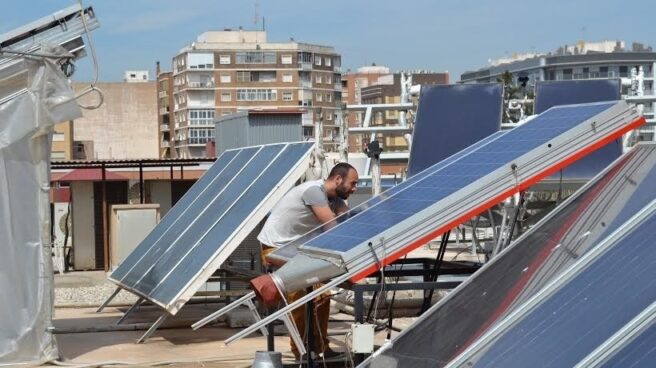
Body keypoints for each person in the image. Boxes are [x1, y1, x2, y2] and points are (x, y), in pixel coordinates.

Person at [257, 162, 358, 361]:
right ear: (338, 179)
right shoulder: (314, 192)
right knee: (300, 293)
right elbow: (333, 228)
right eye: (352, 183)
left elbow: (349, 221)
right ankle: (302, 352)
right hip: (275, 248)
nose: (355, 189)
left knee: (322, 296)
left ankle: (320, 348)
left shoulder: (334, 199)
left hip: (296, 251)